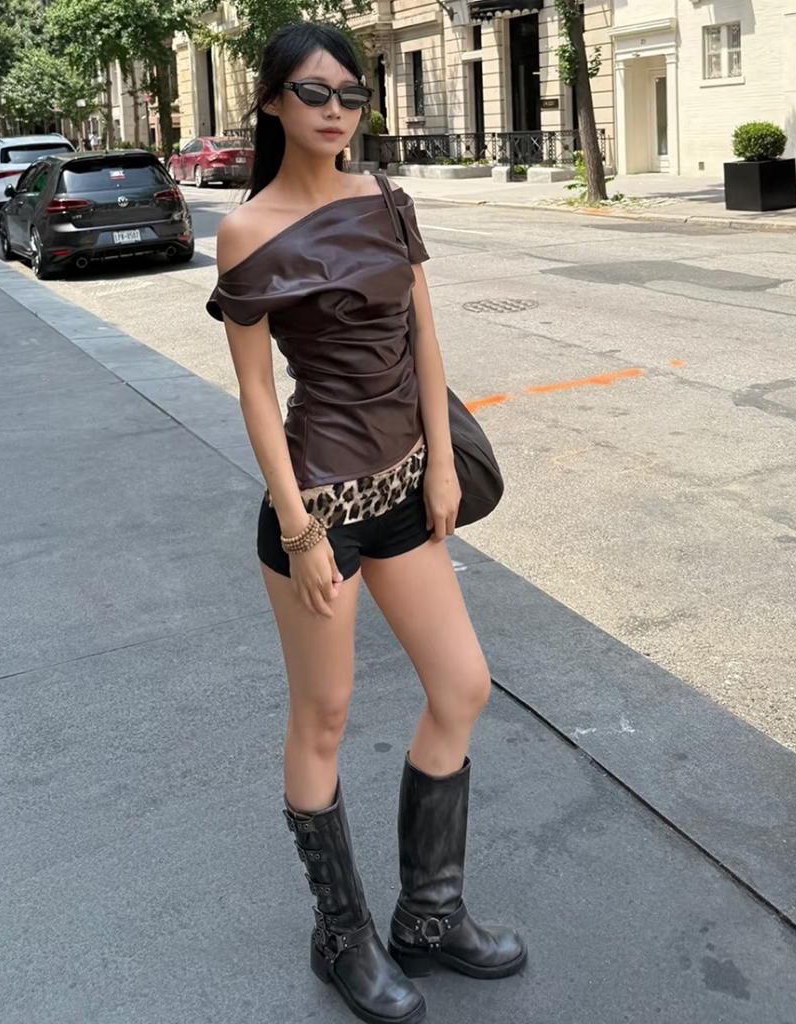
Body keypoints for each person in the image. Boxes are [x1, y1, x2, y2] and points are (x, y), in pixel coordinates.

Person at [207, 22, 527, 1024]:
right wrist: (301, 529)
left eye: (352, 93)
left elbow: (425, 337)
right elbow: (257, 394)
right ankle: (341, 936)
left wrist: (442, 463)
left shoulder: (386, 199)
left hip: (404, 490)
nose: (337, 109)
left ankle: (429, 915)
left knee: (462, 684)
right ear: (273, 101)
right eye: (315, 91)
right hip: (319, 509)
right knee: (326, 715)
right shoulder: (247, 230)